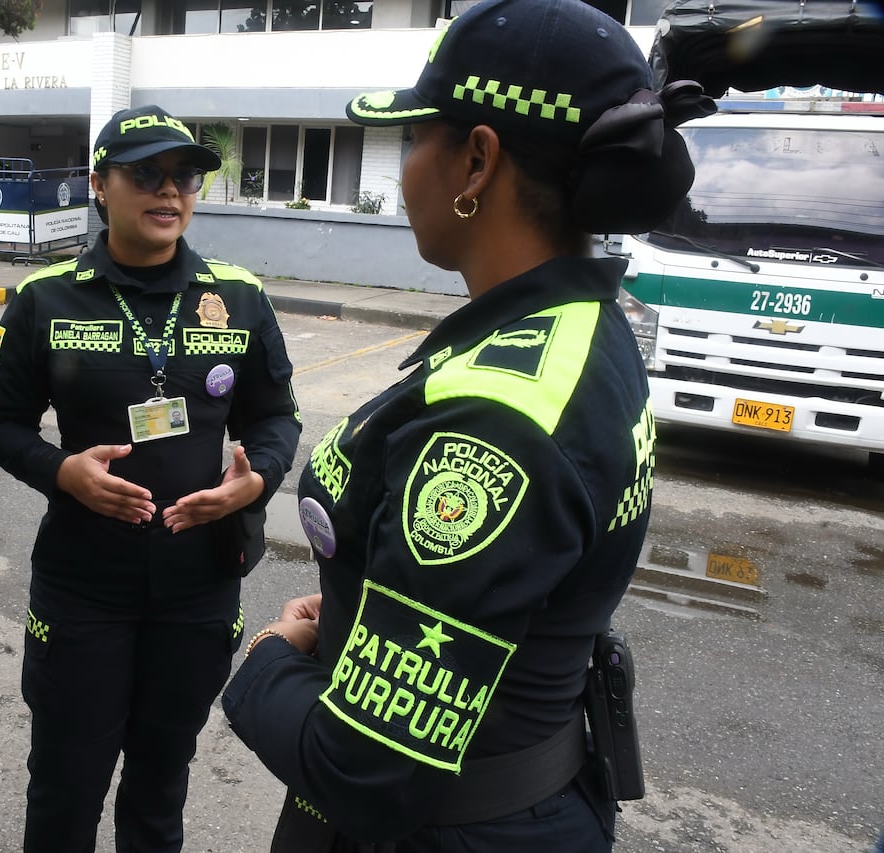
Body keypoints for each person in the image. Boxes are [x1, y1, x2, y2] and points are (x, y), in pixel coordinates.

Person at [221, 0, 715, 849]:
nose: (405, 163)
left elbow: (361, 772)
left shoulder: (495, 420)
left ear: (476, 160)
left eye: (415, 137)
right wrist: (362, 612)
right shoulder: (576, 325)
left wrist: (263, 660)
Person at [0, 104, 301, 852]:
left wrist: (256, 482)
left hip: (197, 588)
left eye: (184, 175)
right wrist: (63, 471)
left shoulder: (239, 296)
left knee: (161, 781)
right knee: (66, 783)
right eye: (145, 173)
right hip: (84, 587)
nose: (169, 190)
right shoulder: (46, 297)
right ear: (98, 184)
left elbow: (276, 417)